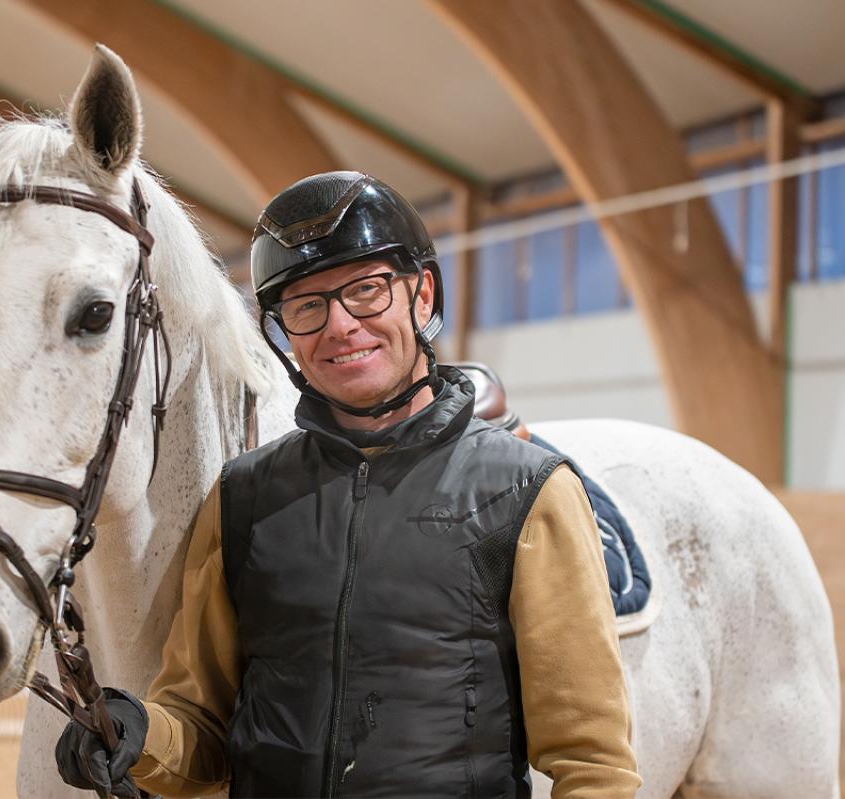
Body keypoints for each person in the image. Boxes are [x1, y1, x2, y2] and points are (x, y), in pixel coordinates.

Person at [55, 172, 641, 798]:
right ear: (284, 334)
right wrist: (137, 737)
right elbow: (203, 733)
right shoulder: (242, 498)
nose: (339, 326)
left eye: (366, 290)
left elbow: (592, 762)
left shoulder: (528, 492)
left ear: (421, 296)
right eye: (307, 306)